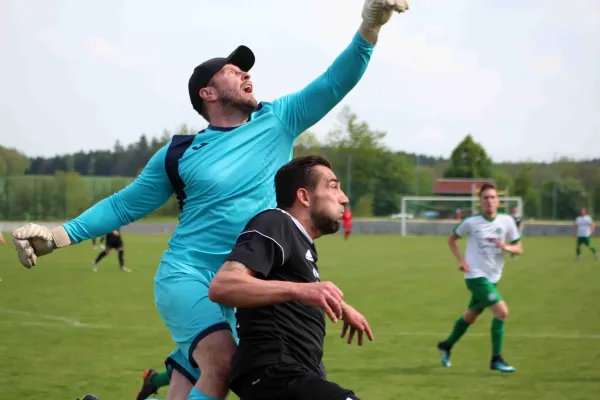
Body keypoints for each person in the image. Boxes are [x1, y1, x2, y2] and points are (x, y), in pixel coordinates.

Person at [11, 2, 409, 399]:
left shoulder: (279, 119)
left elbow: (335, 82)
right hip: (187, 276)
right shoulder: (179, 153)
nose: (246, 74)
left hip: (243, 283)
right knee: (222, 363)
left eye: (246, 69)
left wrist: (370, 26)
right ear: (208, 92)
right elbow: (123, 205)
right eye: (234, 71)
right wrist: (60, 236)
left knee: (193, 383)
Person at [209, 156, 373, 400]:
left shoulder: (299, 241)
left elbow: (297, 288)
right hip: (275, 372)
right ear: (304, 197)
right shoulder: (276, 222)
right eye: (333, 186)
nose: (344, 198)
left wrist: (342, 306)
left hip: (296, 374)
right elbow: (223, 286)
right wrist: (300, 291)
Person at [437, 183, 523, 373]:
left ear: (498, 201)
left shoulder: (507, 221)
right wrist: (461, 261)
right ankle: (496, 359)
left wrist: (506, 247)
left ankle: (446, 345)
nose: (489, 201)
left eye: (493, 197)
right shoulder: (471, 222)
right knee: (502, 312)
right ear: (480, 201)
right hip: (475, 276)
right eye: (485, 198)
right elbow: (452, 239)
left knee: (470, 316)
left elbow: (519, 248)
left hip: (493, 277)